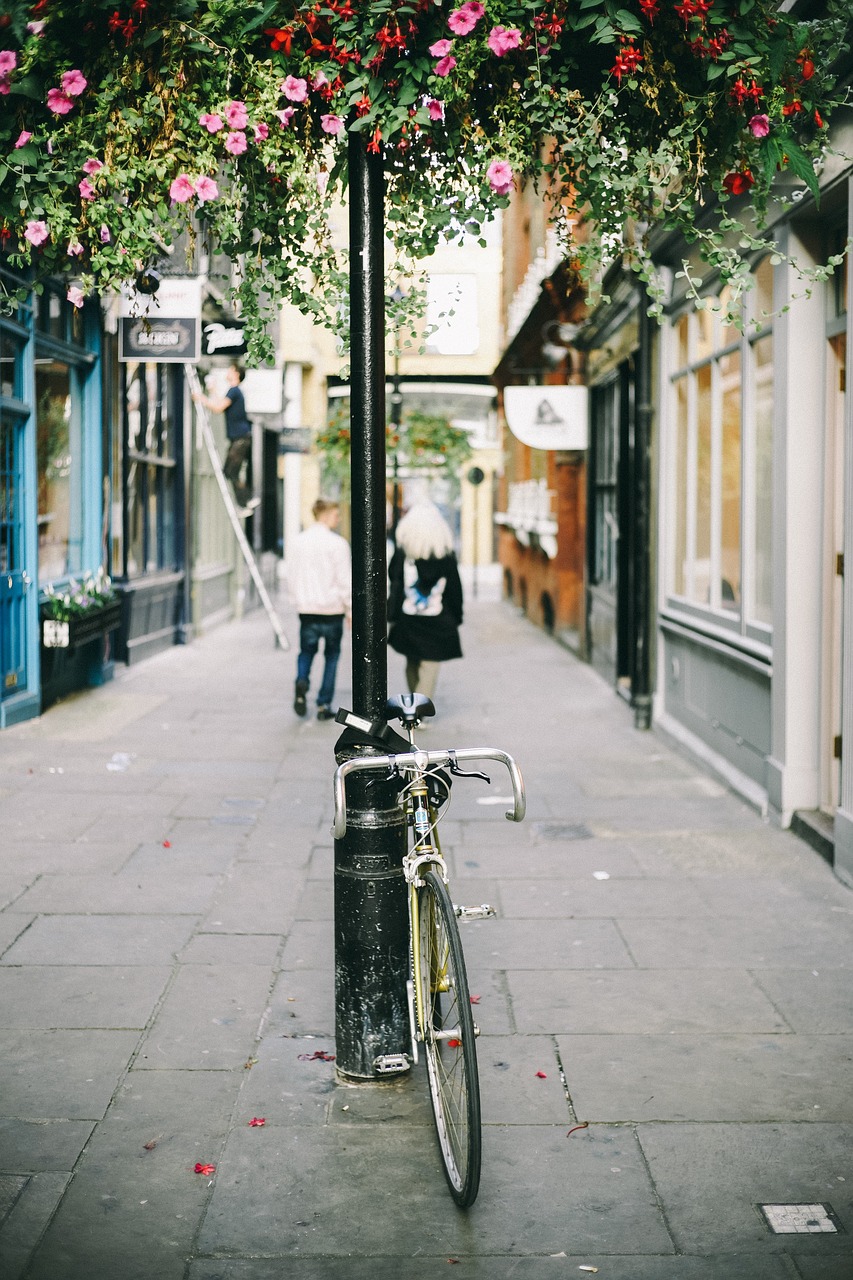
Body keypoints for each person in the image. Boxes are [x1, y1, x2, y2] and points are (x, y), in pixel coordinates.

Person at [387, 501, 463, 704]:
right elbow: (455, 589)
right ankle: (419, 710)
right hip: (437, 619)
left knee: (412, 661)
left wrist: (391, 614)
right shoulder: (446, 556)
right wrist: (457, 616)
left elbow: (394, 581)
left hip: (408, 618)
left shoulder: (403, 555)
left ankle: (414, 705)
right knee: (430, 666)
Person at [288, 497, 352, 720]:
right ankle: (324, 704)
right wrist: (350, 609)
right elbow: (344, 580)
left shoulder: (298, 542)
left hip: (307, 608)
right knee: (331, 656)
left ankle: (302, 681)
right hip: (332, 609)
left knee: (306, 651)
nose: (339, 518)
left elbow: (291, 575)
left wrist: (297, 599)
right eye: (336, 514)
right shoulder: (338, 544)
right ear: (325, 515)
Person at [193, 363, 259, 516]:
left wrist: (201, 398)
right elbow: (219, 404)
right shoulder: (234, 392)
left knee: (231, 471)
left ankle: (246, 501)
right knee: (230, 471)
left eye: (230, 370)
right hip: (240, 438)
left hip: (240, 438)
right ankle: (246, 501)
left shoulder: (234, 391)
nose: (227, 372)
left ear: (236, 374)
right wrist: (213, 391)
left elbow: (217, 408)